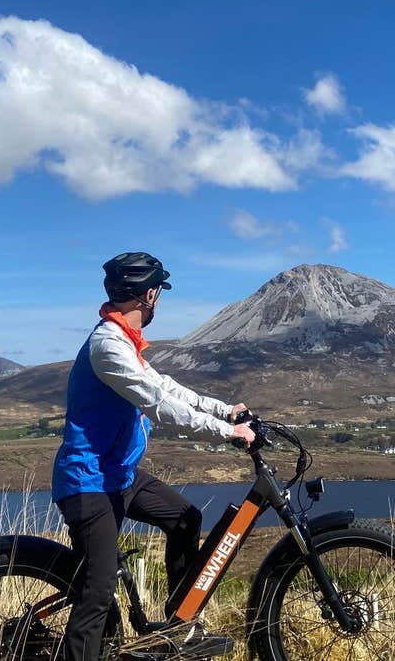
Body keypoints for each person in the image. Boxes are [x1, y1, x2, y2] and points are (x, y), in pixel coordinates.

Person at [52, 252, 255, 661]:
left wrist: (224, 411)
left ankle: (181, 628)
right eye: (158, 291)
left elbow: (166, 386)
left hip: (119, 475)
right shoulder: (108, 346)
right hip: (89, 483)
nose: (158, 299)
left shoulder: (123, 340)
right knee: (98, 591)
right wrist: (226, 433)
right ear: (149, 295)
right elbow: (158, 404)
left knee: (185, 518)